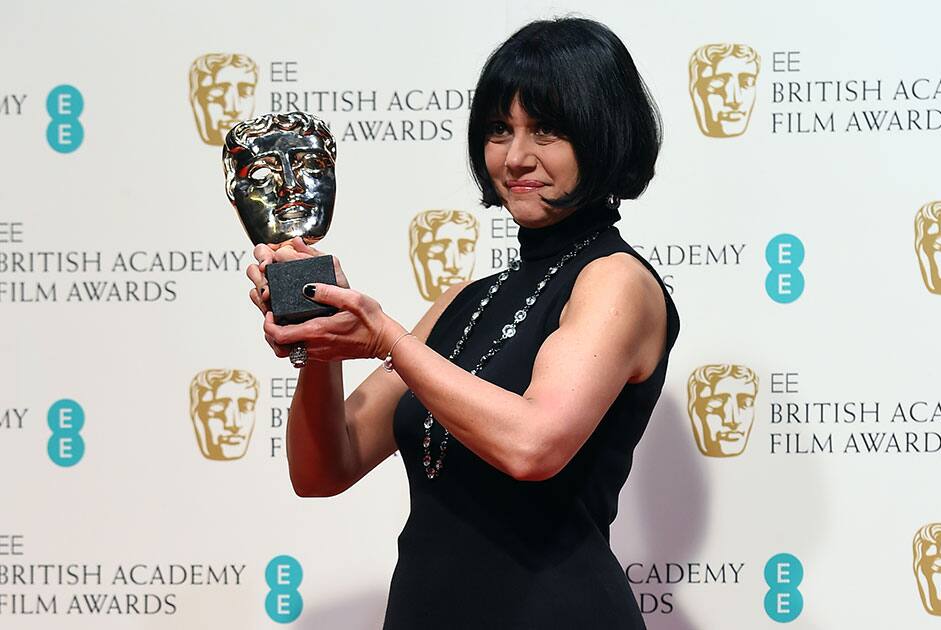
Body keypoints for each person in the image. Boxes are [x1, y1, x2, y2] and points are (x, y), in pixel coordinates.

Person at [246, 17, 679, 628]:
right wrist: (319, 336)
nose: (516, 157)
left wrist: (385, 339)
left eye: (547, 130)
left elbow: (534, 446)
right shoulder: (461, 301)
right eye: (500, 130)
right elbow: (323, 469)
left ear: (603, 133)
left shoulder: (615, 281)